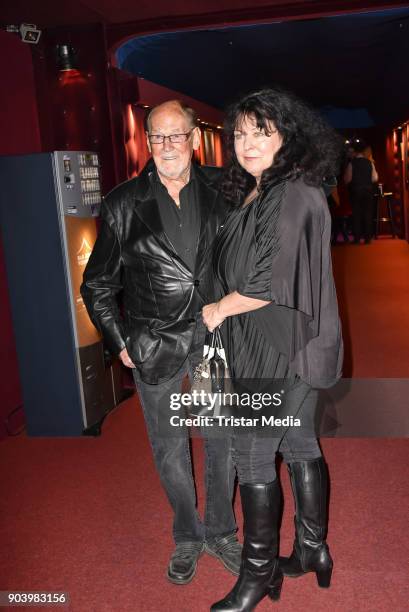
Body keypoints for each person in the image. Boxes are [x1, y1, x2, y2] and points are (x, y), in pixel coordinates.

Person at [80, 100, 242, 586]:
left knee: (223, 437)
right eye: (157, 137)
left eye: (177, 136)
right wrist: (121, 340)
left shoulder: (227, 188)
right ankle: (188, 536)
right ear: (146, 141)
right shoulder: (123, 202)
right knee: (170, 447)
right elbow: (98, 284)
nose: (167, 146)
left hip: (214, 334)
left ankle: (221, 530)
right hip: (154, 341)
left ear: (194, 138)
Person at [202, 88, 343, 611]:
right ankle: (312, 551)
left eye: (261, 131)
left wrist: (216, 310)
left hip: (278, 345)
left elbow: (267, 281)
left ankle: (256, 576)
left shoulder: (293, 192)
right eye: (239, 133)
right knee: (301, 444)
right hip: (286, 339)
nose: (247, 142)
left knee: (253, 454)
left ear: (286, 136)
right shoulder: (264, 190)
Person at [344, 141, 378, 244]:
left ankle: (357, 238)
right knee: (368, 213)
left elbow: (348, 179)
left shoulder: (352, 164)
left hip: (356, 190)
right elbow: (375, 178)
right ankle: (368, 238)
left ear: (355, 153)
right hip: (368, 190)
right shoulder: (370, 163)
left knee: (356, 214)